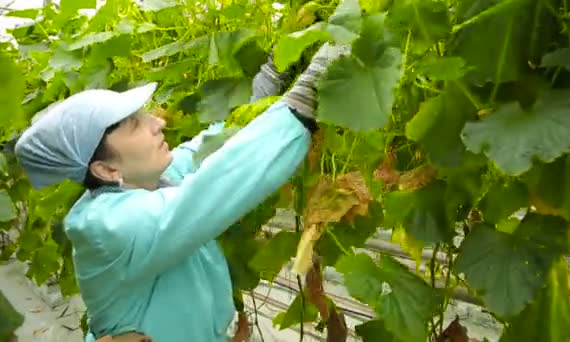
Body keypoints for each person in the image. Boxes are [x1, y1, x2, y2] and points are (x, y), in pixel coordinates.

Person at [13, 42, 349, 342]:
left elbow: (213, 145)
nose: (157, 123)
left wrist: (274, 70)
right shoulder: (108, 227)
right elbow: (213, 186)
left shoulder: (149, 180)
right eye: (134, 124)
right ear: (106, 170)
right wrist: (303, 102)